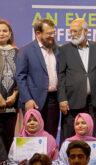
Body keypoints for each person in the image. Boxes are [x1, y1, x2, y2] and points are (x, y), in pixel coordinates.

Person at [58, 18, 96, 143]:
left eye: (76, 31)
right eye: (71, 31)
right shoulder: (64, 49)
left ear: (86, 31)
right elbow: (60, 75)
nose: (73, 34)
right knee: (68, 135)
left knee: (90, 135)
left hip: (92, 100)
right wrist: (62, 98)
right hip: (71, 100)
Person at [16, 18, 59, 138]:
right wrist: (27, 99)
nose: (52, 36)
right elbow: (20, 76)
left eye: (53, 33)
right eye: (49, 33)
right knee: (32, 137)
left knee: (51, 135)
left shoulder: (57, 50)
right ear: (38, 33)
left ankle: (49, 157)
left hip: (53, 100)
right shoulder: (26, 50)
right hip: (33, 100)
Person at [0, 19, 19, 161]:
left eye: (5, 31)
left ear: (10, 33)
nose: (1, 33)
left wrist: (15, 94)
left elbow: (22, 75)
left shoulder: (18, 52)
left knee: (9, 136)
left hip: (12, 103)